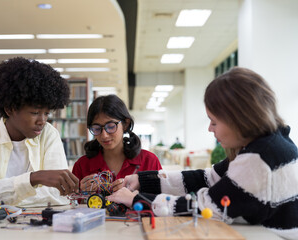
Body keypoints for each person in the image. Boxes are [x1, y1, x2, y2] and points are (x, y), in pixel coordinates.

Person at [107, 67, 298, 240]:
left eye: (214, 121)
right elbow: (209, 177)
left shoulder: (259, 158)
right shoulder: (273, 143)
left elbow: (207, 208)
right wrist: (145, 180)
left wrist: (136, 199)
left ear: (238, 119)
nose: (209, 128)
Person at [0, 57, 79, 207]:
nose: (42, 121)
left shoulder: (49, 134)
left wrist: (2, 199)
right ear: (10, 109)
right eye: (35, 112)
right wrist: (33, 179)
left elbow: (61, 195)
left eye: (46, 113)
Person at [72, 94, 162, 192]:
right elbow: (72, 203)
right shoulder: (82, 165)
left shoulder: (149, 161)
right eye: (97, 128)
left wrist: (138, 191)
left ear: (125, 124)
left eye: (110, 126)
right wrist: (82, 193)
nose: (104, 135)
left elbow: (162, 200)